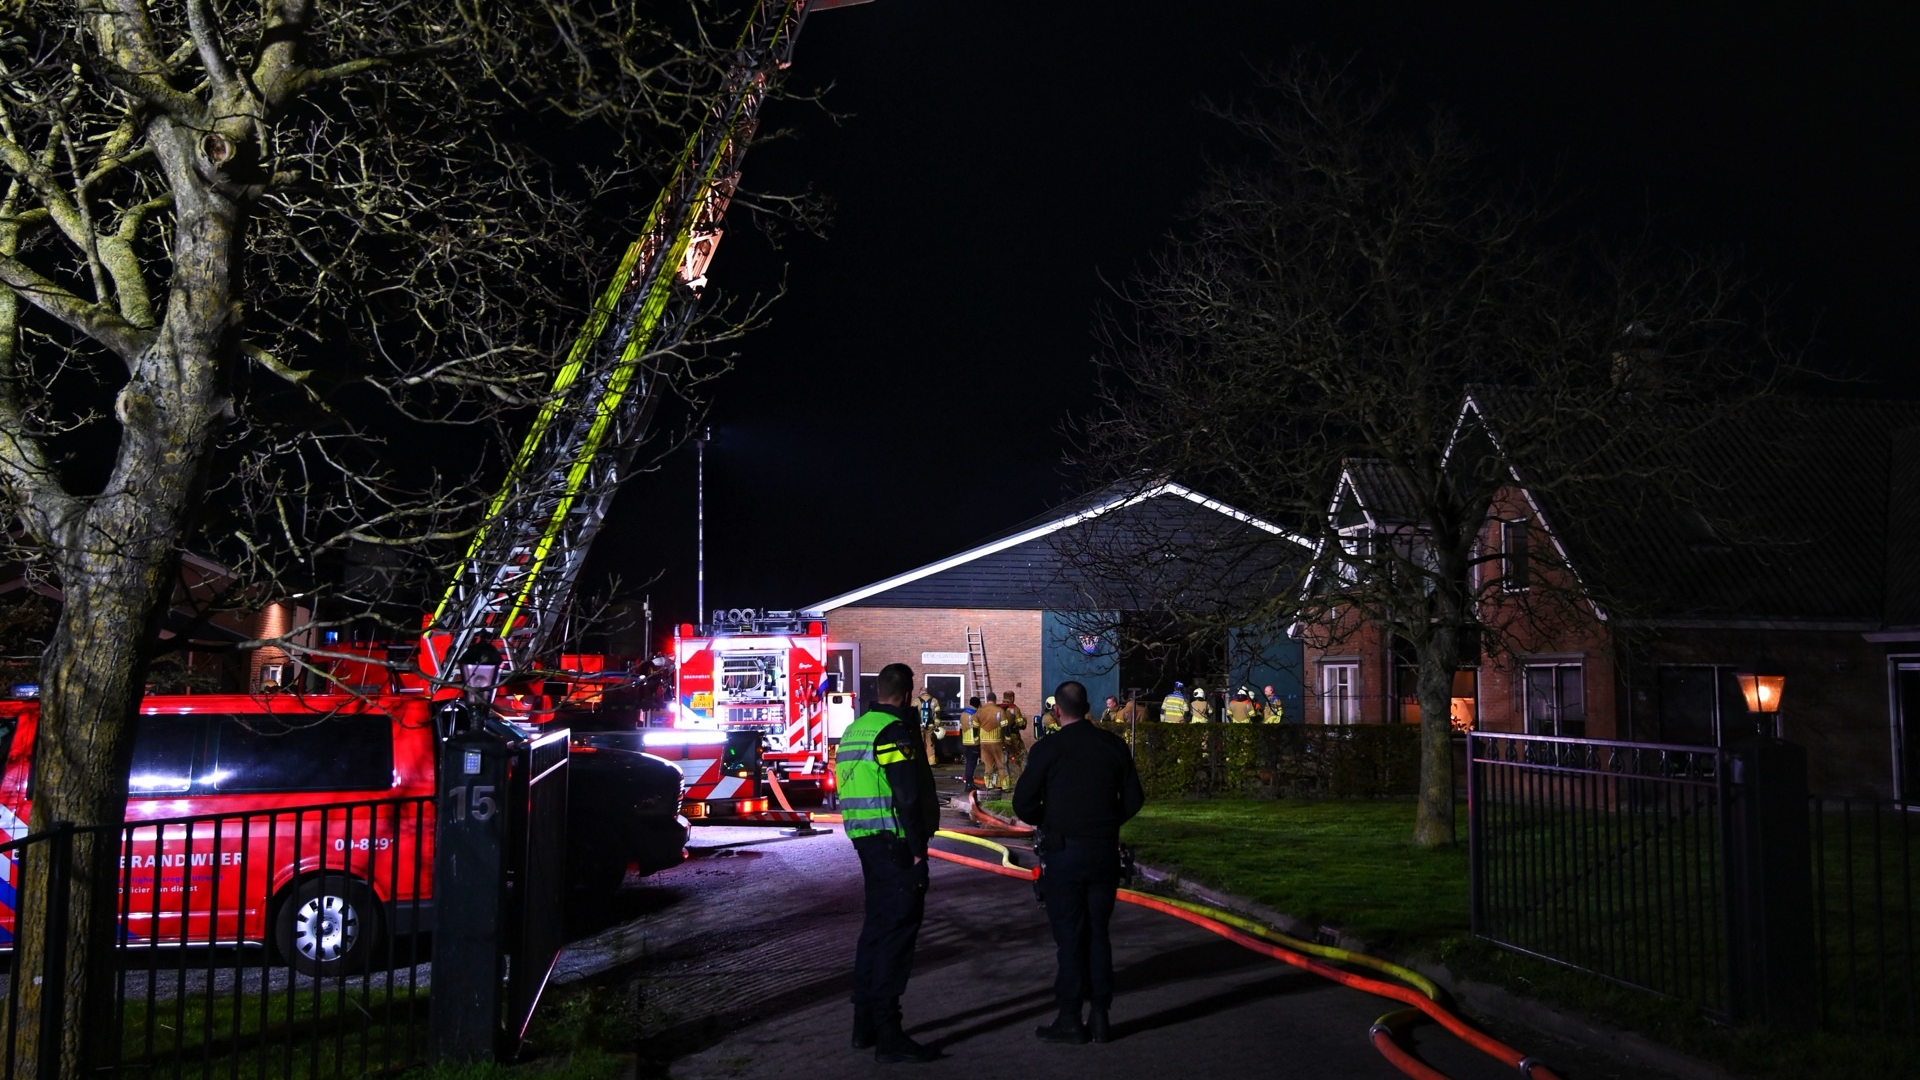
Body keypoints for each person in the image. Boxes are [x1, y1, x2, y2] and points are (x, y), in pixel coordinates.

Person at [1013, 680, 1145, 1045]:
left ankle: (1070, 1018)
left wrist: (1050, 817)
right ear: (1087, 707)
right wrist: (1106, 821)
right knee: (1098, 934)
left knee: (1070, 938)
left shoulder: (1049, 749)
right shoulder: (1113, 745)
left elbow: (1023, 804)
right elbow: (1134, 799)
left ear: (1057, 711)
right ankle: (1100, 1015)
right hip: (1103, 852)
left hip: (1063, 852)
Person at [836, 662, 942, 1064]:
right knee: (897, 937)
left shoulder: (854, 730)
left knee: (875, 932)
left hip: (866, 844)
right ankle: (889, 1034)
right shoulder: (892, 731)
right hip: (896, 846)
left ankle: (863, 1025)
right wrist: (917, 850)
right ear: (908, 692)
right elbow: (908, 795)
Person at [976, 691, 1006, 790]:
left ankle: (989, 785)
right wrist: (1008, 738)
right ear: (995, 700)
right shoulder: (999, 710)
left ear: (987, 700)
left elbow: (975, 726)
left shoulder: (980, 711)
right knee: (1000, 764)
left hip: (984, 742)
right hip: (996, 741)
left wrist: (976, 738)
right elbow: (1005, 726)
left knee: (988, 765)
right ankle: (1004, 785)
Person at [1000, 691, 1027, 784]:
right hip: (1013, 737)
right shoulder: (1014, 708)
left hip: (999, 738)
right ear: (1012, 698)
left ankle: (1003, 783)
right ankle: (1022, 779)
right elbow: (1020, 723)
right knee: (1022, 756)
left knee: (1002, 761)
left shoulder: (997, 707)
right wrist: (1024, 720)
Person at [961, 696, 983, 790]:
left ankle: (969, 783)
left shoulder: (963, 713)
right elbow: (977, 727)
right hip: (974, 742)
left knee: (968, 763)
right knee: (971, 763)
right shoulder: (976, 714)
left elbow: (961, 727)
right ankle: (969, 784)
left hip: (965, 741)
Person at [918, 688, 942, 762]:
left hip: (920, 726)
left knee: (919, 743)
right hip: (931, 725)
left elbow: (912, 715)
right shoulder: (934, 700)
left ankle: (920, 761)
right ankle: (931, 761)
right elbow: (938, 713)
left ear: (920, 692)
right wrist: (937, 724)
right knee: (930, 743)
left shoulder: (916, 701)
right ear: (927, 692)